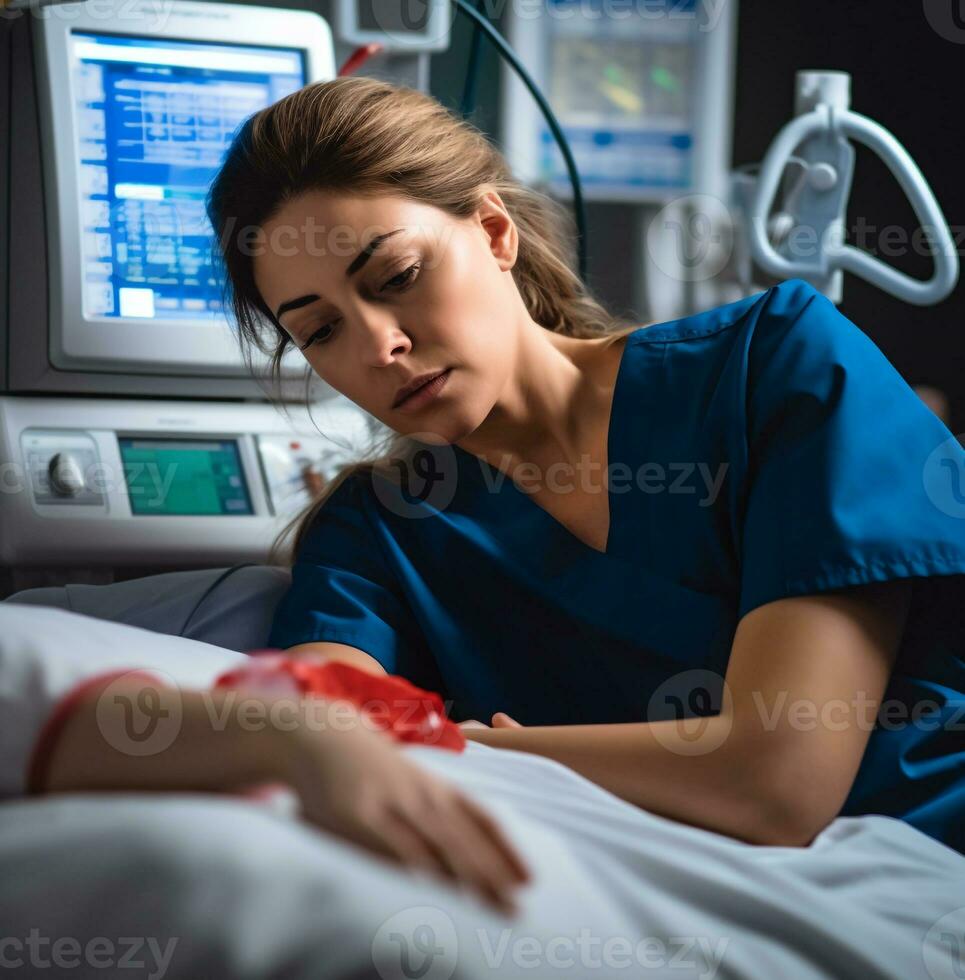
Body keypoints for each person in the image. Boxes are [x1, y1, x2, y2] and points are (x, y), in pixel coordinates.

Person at [204, 76, 965, 856]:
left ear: (495, 232)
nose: (378, 348)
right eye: (322, 330)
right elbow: (321, 723)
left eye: (397, 277)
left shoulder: (775, 370)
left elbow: (776, 783)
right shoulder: (382, 531)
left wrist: (481, 751)